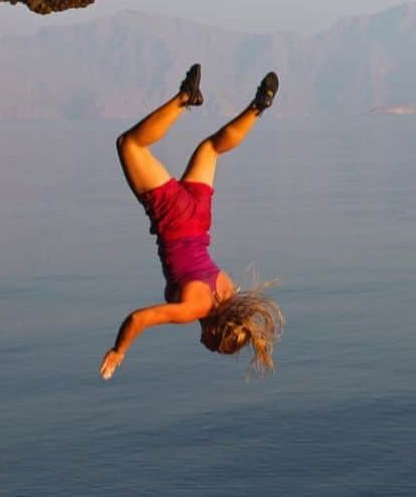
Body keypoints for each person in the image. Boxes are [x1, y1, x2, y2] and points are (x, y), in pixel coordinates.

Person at [100, 65, 283, 381]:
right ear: (213, 332)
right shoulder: (192, 309)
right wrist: (119, 351)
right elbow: (138, 319)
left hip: (199, 218)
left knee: (211, 147)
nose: (206, 346)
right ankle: (186, 96)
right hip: (174, 218)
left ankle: (257, 108)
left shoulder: (226, 291)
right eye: (213, 346)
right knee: (128, 144)